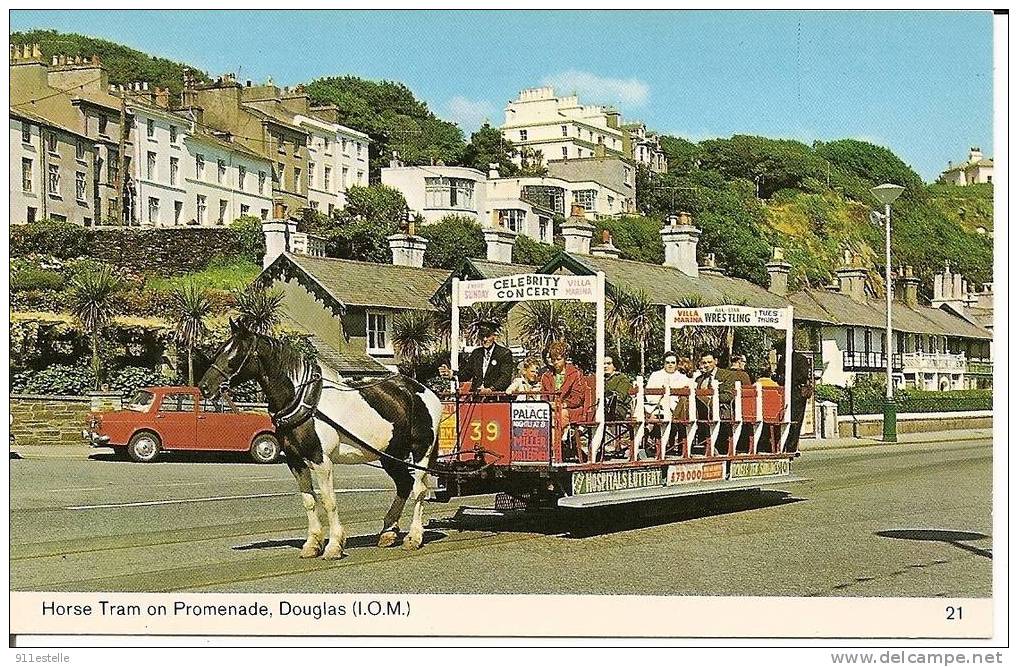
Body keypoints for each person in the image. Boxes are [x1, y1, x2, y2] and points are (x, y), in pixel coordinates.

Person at [439, 319, 514, 394]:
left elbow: (505, 378)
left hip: (497, 398)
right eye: (482, 336)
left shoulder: (504, 353)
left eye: (488, 336)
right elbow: (466, 374)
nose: (485, 339)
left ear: (494, 336)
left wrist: (491, 389)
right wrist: (451, 374)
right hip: (476, 397)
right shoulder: (476, 353)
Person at [774, 349, 815, 453]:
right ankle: (791, 446)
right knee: (796, 420)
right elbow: (804, 376)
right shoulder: (801, 359)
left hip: (785, 392)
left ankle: (783, 444)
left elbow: (779, 376)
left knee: (784, 418)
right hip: (797, 393)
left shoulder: (783, 359)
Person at [540, 340, 587, 427]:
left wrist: (563, 404)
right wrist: (548, 404)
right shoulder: (546, 376)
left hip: (571, 409)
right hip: (551, 409)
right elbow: (543, 396)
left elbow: (578, 397)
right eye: (553, 360)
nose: (555, 362)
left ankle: (556, 440)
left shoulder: (575, 373)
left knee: (559, 416)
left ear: (565, 358)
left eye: (558, 359)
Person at [645, 351, 696, 419]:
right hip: (656, 407)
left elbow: (692, 388)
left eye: (673, 363)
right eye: (667, 362)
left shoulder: (683, 378)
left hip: (675, 409)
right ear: (664, 364)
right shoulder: (655, 375)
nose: (670, 365)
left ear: (676, 364)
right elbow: (649, 394)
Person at [603, 354, 633, 420]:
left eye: (608, 363)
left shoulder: (622, 379)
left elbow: (620, 396)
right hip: (601, 408)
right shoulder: (600, 380)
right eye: (603, 364)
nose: (605, 366)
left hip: (617, 409)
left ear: (615, 366)